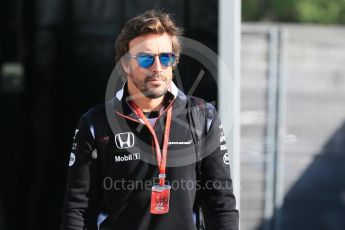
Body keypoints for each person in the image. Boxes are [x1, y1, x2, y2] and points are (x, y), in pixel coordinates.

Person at [61, 9, 239, 230]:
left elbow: (221, 204)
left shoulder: (203, 116)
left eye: (166, 57)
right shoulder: (95, 123)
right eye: (146, 59)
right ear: (125, 64)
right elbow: (78, 209)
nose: (157, 68)